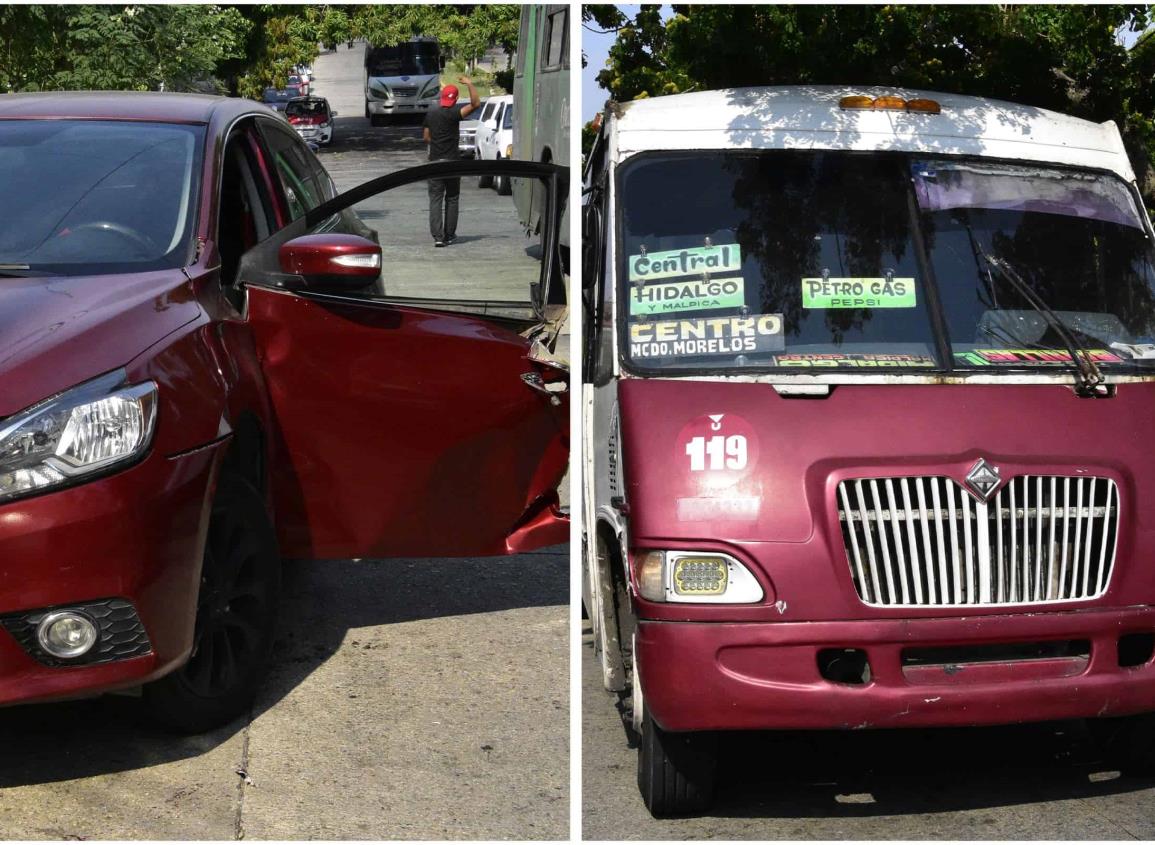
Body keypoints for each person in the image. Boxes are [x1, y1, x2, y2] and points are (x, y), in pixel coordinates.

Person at [422, 75, 480, 247]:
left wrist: (436, 141)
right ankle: (449, 234)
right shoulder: (456, 112)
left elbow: (426, 137)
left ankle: (438, 237)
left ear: (441, 97)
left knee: (435, 199)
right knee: (452, 198)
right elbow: (476, 104)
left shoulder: (431, 113)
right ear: (455, 99)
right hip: (453, 163)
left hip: (434, 162)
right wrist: (470, 83)